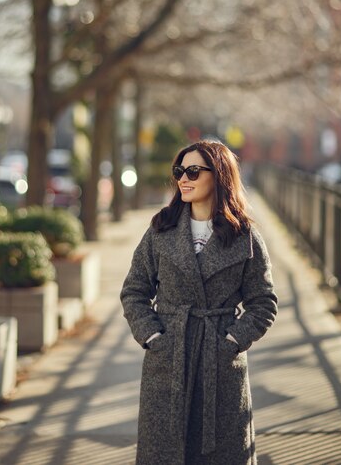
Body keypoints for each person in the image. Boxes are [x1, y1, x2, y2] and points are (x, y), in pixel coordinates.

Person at [120, 140, 278, 465]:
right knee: (164, 452)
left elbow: (263, 303)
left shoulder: (245, 237)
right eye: (179, 171)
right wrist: (153, 337)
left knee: (222, 453)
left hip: (219, 365)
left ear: (218, 175)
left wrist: (232, 341)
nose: (183, 179)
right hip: (168, 360)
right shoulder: (161, 229)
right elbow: (134, 291)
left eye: (193, 171)